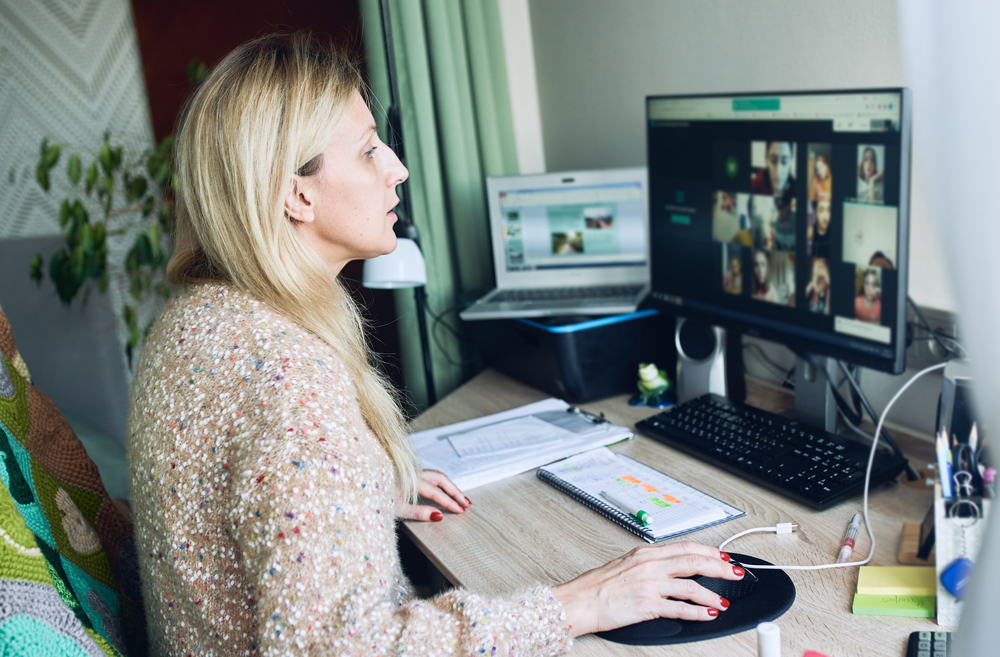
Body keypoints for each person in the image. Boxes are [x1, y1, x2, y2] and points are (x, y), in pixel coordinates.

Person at [127, 33, 743, 657]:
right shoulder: (290, 377)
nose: (397, 168)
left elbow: (243, 490)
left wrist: (350, 489)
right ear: (298, 195)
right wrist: (578, 604)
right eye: (369, 150)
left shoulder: (193, 320)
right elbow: (340, 648)